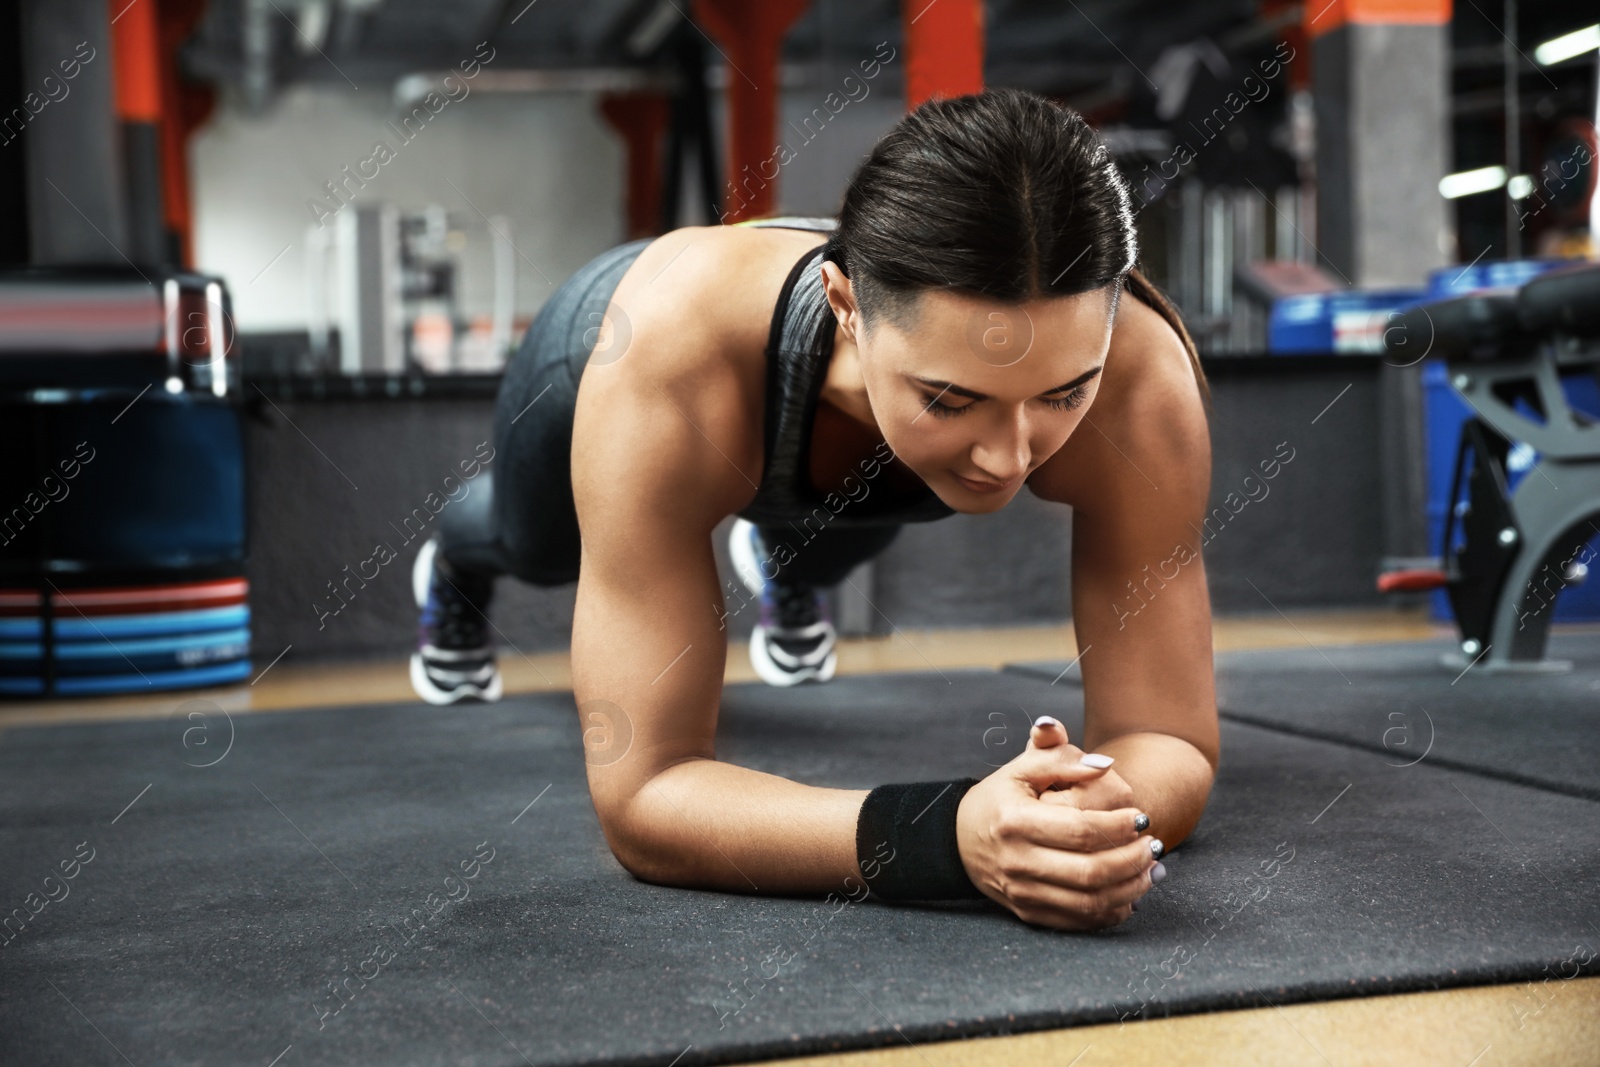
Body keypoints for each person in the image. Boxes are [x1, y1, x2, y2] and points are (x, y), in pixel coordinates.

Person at [411, 88, 1218, 929]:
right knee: (534, 543)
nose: (1010, 457)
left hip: (842, 432)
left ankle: (788, 551)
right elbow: (644, 796)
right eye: (950, 398)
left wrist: (1079, 822)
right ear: (846, 308)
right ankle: (458, 561)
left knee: (855, 513)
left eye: (1063, 393)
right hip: (601, 349)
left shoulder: (1135, 380)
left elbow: (1172, 738)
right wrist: (947, 834)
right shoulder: (671, 352)